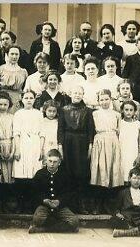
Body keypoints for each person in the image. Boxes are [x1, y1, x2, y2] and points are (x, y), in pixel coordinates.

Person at [58, 86, 94, 214]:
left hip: (82, 142)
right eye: (75, 92)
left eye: (80, 93)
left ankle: (80, 205)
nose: (77, 95)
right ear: (70, 94)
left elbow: (91, 129)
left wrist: (90, 144)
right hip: (68, 142)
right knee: (68, 172)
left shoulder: (88, 111)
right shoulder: (63, 110)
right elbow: (60, 129)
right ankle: (68, 205)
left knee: (81, 173)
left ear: (83, 94)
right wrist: (60, 145)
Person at [29, 149, 79, 233]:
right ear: (46, 161)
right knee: (37, 219)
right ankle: (62, 227)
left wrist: (59, 201)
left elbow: (69, 193)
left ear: (59, 162)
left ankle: (43, 229)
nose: (52, 164)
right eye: (50, 161)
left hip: (60, 207)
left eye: (55, 162)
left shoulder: (64, 175)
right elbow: (34, 192)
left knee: (74, 221)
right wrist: (43, 200)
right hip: (45, 206)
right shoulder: (40, 174)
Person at [90, 89, 123, 214]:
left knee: (112, 172)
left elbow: (119, 131)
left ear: (110, 100)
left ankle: (110, 205)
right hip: (99, 141)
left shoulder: (117, 114)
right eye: (101, 99)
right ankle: (98, 205)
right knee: (100, 172)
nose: (104, 102)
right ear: (98, 101)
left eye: (106, 99)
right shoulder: (95, 114)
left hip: (113, 141)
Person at [12, 90, 44, 212]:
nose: (29, 100)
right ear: (22, 100)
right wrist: (17, 149)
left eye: (31, 98)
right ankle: (21, 205)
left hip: (35, 144)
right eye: (26, 98)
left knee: (34, 175)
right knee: (21, 175)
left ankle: (33, 206)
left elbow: (42, 133)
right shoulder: (18, 114)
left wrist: (41, 149)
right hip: (23, 144)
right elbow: (16, 133)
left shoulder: (38, 114)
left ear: (34, 99)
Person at [110, 168, 140, 237]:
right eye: (134, 178)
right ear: (129, 179)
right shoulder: (123, 192)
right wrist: (118, 213)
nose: (136, 181)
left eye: (139, 179)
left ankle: (126, 232)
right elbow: (117, 207)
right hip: (126, 218)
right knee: (113, 220)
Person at [119, 101, 140, 184]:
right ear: (122, 110)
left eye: (131, 110)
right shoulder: (119, 123)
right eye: (126, 109)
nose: (128, 112)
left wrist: (139, 156)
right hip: (121, 153)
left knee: (133, 177)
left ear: (135, 111)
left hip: (134, 153)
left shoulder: (139, 125)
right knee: (122, 177)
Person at [0, 45, 28, 113]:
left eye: (16, 54)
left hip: (17, 100)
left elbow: (25, 88)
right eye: (12, 54)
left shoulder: (23, 71)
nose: (14, 56)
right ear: (7, 54)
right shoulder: (0, 69)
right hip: (3, 100)